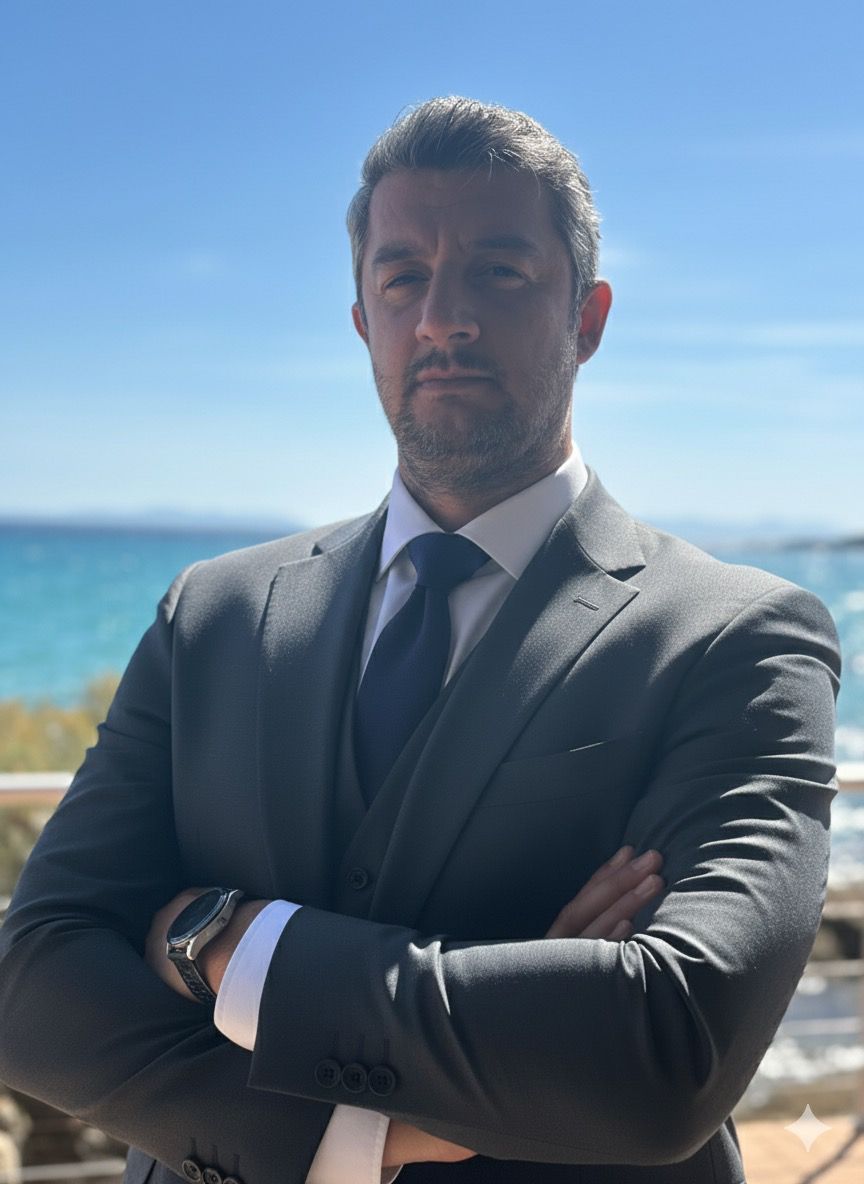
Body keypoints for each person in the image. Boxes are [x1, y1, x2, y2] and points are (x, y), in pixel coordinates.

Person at [0, 97, 840, 1184]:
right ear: (363, 319)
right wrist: (389, 1105)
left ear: (587, 318)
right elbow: (33, 976)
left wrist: (220, 942)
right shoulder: (212, 612)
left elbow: (669, 1047)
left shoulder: (739, 638)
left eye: (499, 271)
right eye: (403, 278)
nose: (444, 318)